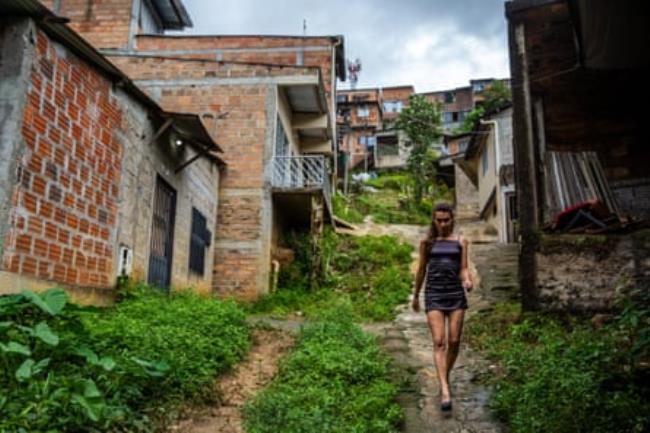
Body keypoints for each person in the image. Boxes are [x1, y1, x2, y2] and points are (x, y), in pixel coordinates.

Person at [412, 202, 473, 411]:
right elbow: (421, 271)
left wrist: (468, 280)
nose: (443, 224)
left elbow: (464, 268)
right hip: (434, 294)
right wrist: (415, 296)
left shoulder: (460, 241)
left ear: (452, 219)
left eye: (446, 220)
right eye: (439, 220)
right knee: (439, 342)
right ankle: (445, 390)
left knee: (454, 340)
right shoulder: (427, 243)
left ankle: (443, 375)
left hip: (455, 294)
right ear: (433, 220)